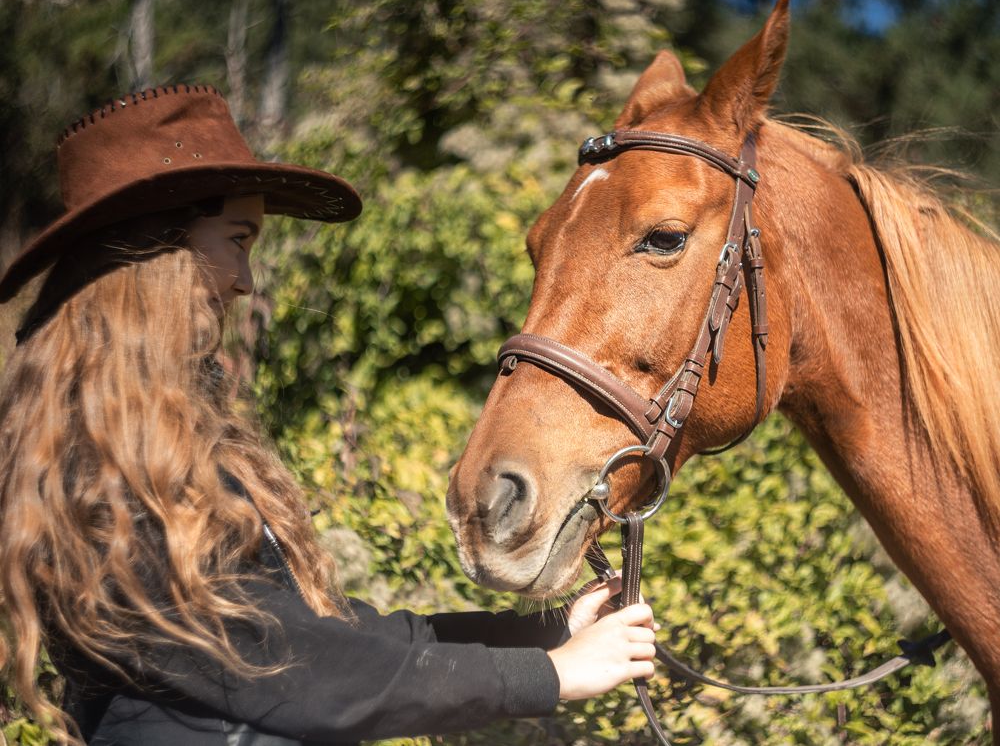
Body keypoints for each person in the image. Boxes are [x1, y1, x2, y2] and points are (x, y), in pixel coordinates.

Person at [0, 85, 657, 745]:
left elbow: (326, 635)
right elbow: (294, 669)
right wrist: (549, 674)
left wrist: (544, 635)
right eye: (237, 239)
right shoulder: (95, 466)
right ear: (157, 250)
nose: (245, 279)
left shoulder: (147, 440)